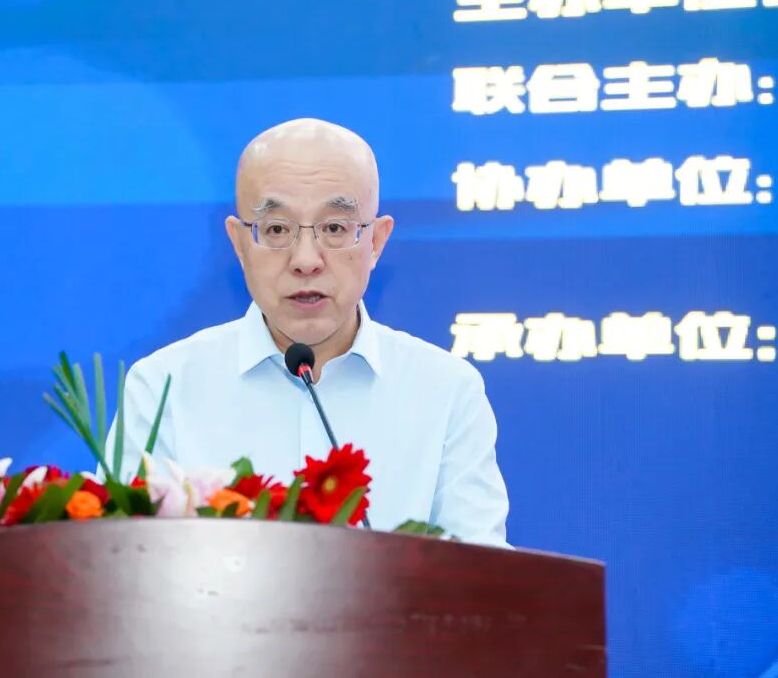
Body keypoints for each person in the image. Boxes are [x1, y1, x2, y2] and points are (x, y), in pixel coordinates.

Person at [107, 118, 509, 546]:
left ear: (376, 242)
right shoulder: (163, 387)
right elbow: (118, 560)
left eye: (335, 228)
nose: (305, 260)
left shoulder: (446, 391)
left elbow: (481, 573)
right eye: (277, 229)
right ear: (239, 244)